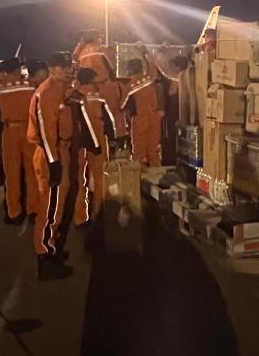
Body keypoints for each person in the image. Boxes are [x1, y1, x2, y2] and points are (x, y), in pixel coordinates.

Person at [27, 52, 75, 280]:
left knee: (57, 206)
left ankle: (51, 247)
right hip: (51, 154)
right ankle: (45, 256)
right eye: (64, 68)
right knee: (50, 208)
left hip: (59, 151)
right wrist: (54, 163)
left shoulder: (59, 90)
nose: (69, 71)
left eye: (70, 67)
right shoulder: (47, 93)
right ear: (53, 70)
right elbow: (46, 133)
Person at [0, 58, 39, 224]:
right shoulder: (31, 85)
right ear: (18, 69)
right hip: (30, 131)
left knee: (11, 174)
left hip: (9, 133)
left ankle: (14, 213)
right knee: (32, 172)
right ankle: (33, 210)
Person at [70, 67, 116, 227]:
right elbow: (109, 120)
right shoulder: (99, 95)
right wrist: (113, 139)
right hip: (97, 138)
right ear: (91, 79)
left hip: (78, 141)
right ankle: (98, 213)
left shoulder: (74, 96)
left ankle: (80, 217)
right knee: (100, 177)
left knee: (80, 179)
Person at [73, 29, 126, 139]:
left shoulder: (80, 52)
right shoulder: (102, 50)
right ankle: (118, 139)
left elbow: (75, 63)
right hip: (106, 86)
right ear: (95, 38)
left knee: (94, 116)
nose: (101, 39)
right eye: (99, 37)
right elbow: (114, 68)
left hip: (88, 89)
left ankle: (98, 139)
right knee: (115, 113)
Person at [120, 57, 164, 168]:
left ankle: (139, 175)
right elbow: (153, 65)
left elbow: (121, 105)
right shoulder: (150, 78)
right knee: (153, 149)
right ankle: (155, 173)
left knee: (139, 152)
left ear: (129, 69)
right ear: (141, 68)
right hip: (154, 117)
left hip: (140, 120)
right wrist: (145, 54)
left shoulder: (129, 86)